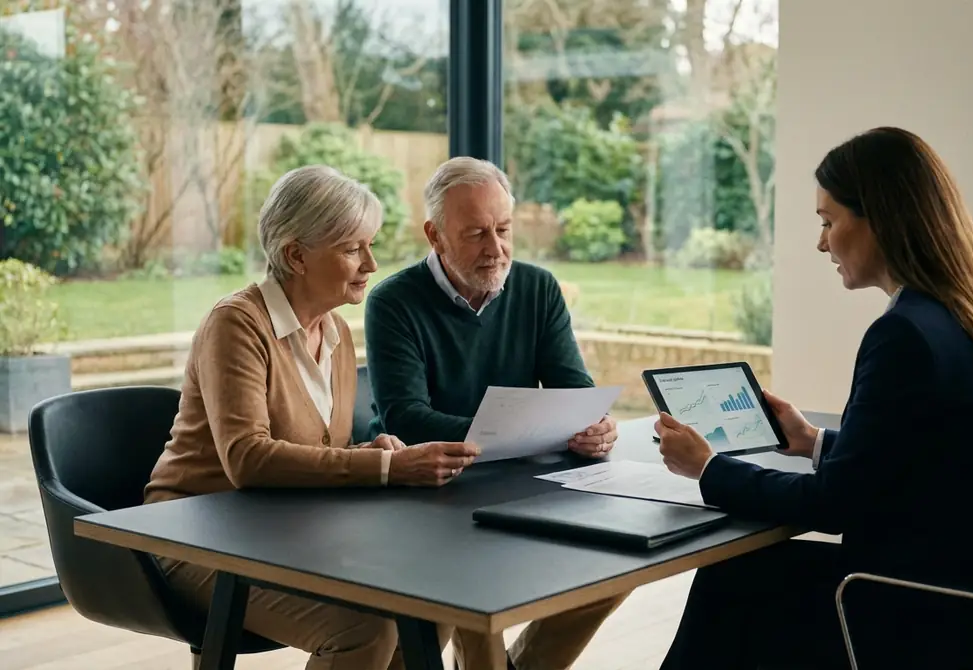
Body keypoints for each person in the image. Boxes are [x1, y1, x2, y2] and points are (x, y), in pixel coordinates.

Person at [654, 127, 973, 670]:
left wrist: (708, 467)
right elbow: (916, 460)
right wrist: (814, 442)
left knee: (733, 582)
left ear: (880, 219)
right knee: (742, 579)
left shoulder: (905, 334)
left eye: (828, 221)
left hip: (926, 611)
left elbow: (833, 505)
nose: (821, 243)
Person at [144, 165, 480, 670]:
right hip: (197, 537)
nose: (370, 263)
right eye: (351, 248)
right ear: (295, 255)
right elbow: (248, 459)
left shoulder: (338, 334)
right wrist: (385, 469)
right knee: (364, 630)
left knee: (435, 604)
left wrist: (365, 454)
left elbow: (317, 454)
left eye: (370, 245)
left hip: (284, 530)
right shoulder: (236, 324)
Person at [363, 156, 628, 669]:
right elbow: (405, 418)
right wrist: (520, 435)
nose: (496, 249)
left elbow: (574, 389)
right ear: (434, 235)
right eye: (477, 234)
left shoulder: (537, 288)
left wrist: (595, 426)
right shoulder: (392, 302)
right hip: (429, 489)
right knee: (471, 592)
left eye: (504, 229)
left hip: (519, 479)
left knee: (617, 565)